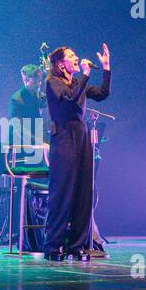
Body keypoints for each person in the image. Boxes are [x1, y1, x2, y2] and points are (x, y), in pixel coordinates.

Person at [42, 44, 110, 261]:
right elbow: (70, 98)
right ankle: (54, 246)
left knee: (83, 192)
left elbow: (101, 94)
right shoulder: (53, 82)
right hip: (63, 138)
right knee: (62, 192)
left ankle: (77, 245)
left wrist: (106, 69)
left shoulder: (78, 83)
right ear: (61, 64)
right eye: (71, 56)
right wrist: (85, 75)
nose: (77, 58)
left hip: (81, 137)